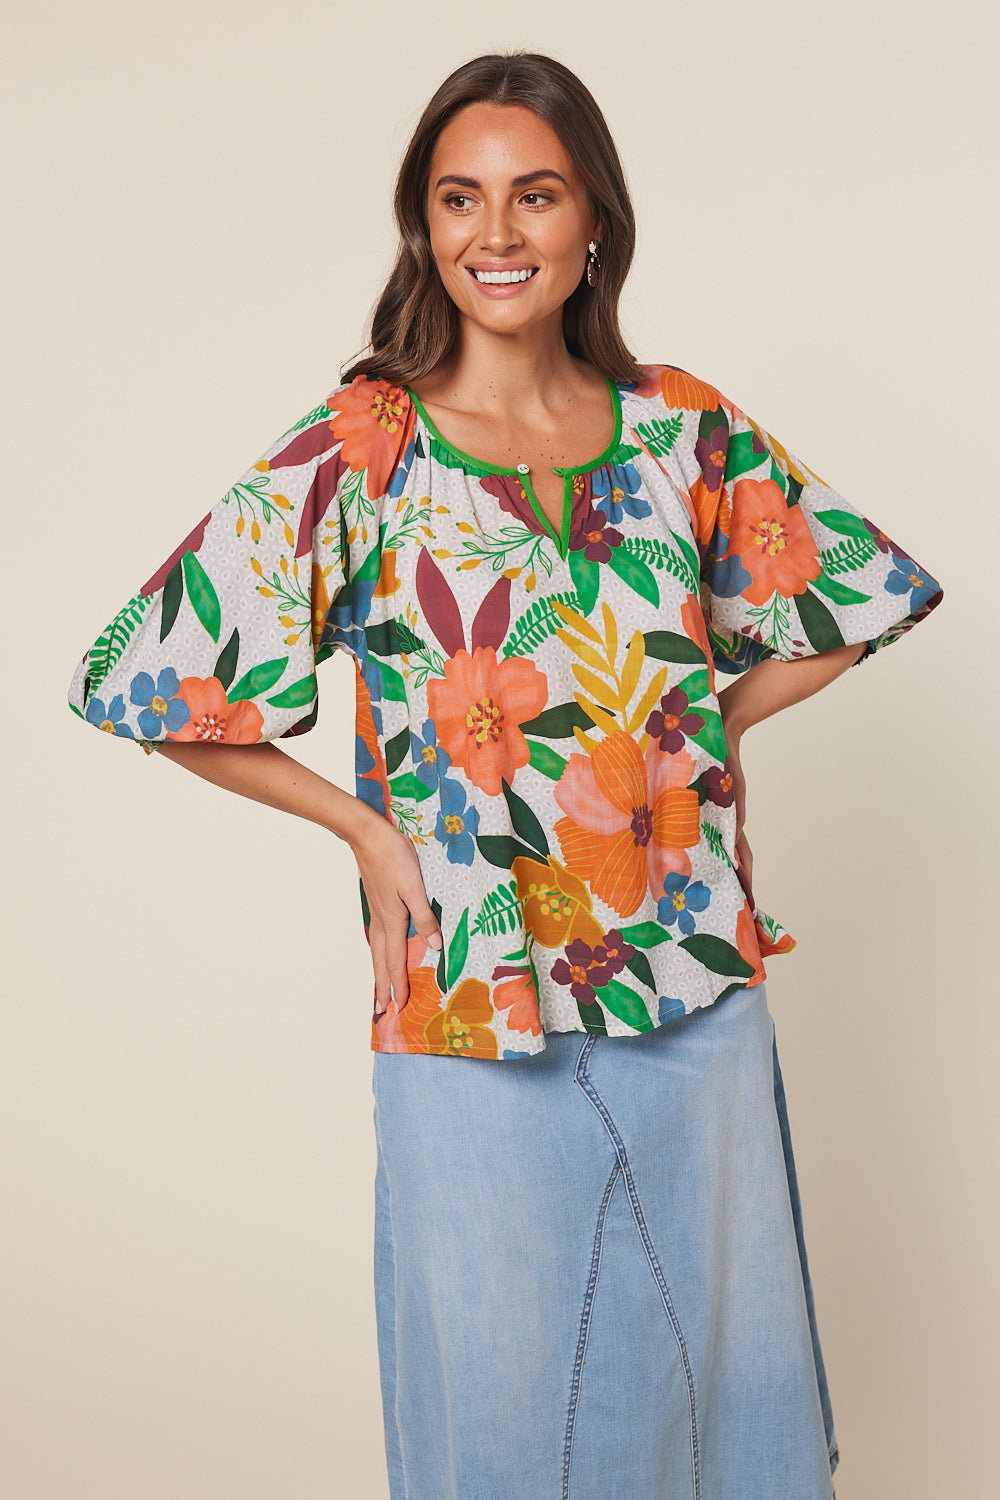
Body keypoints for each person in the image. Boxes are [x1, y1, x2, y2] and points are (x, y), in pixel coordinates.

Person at [68, 50, 942, 1500]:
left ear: (594, 219)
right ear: (423, 227)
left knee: (727, 1382)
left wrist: (707, 731)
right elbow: (152, 678)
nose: (496, 232)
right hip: (474, 995)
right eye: (459, 198)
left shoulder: (680, 428)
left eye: (535, 194)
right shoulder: (367, 445)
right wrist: (363, 832)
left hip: (693, 976)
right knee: (500, 1403)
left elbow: (858, 594)